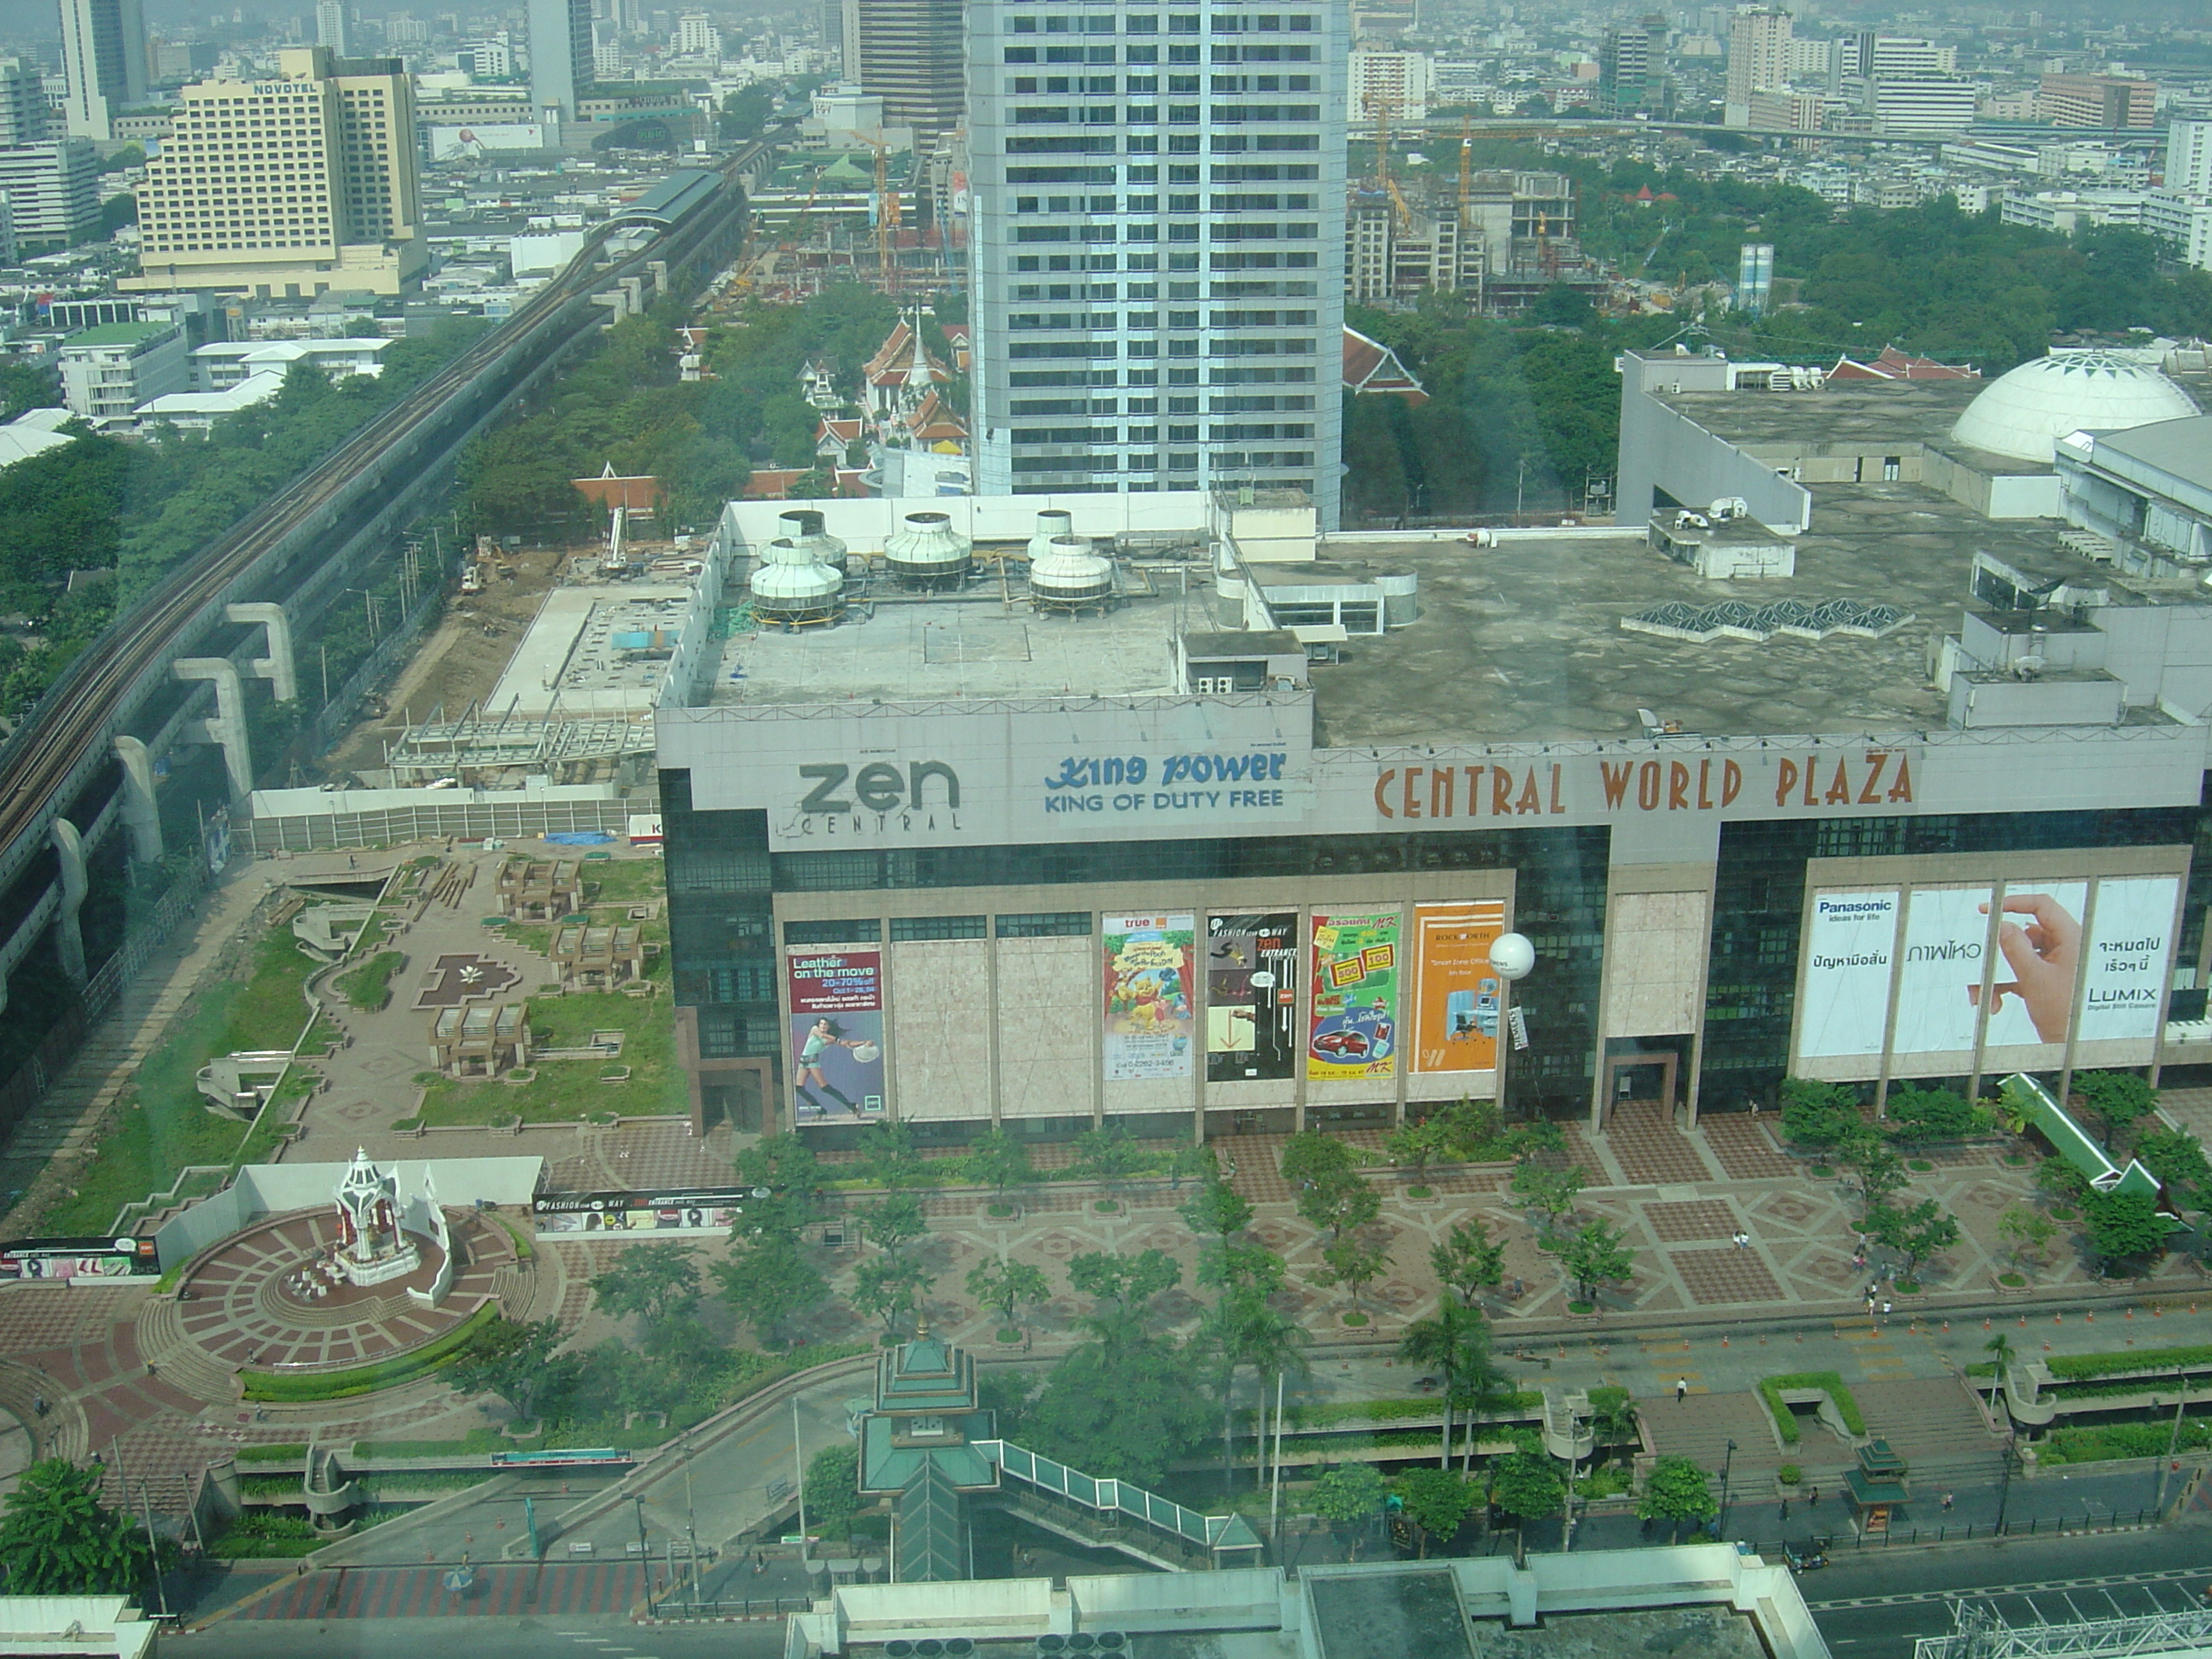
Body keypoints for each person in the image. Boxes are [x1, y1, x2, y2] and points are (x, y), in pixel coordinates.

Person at [793, 1016, 865, 1119]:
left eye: (825, 1024)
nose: (823, 1026)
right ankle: (820, 1109)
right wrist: (837, 1039)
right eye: (821, 1024)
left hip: (813, 1063)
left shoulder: (829, 1039)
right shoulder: (815, 1029)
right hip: (803, 1062)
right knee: (799, 1088)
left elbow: (847, 1043)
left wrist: (863, 1043)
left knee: (825, 1088)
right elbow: (822, 1035)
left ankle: (851, 1106)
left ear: (828, 1027)